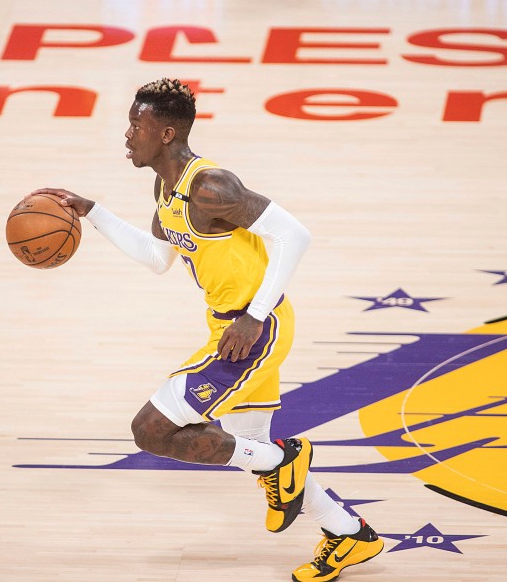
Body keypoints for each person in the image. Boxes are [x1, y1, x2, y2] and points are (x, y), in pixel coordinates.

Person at [30, 78, 383, 581]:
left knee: (151, 430)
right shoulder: (165, 188)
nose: (128, 134)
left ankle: (280, 462)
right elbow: (158, 258)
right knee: (246, 444)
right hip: (232, 327)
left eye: (137, 125)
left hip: (254, 329)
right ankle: (348, 533)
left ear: (168, 132)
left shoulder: (211, 187)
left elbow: (294, 235)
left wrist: (254, 314)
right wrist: (93, 212)